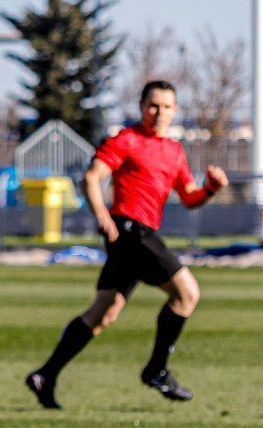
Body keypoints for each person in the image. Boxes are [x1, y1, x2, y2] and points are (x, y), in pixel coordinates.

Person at [26, 80, 228, 409]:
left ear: (175, 110)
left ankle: (45, 375)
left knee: (104, 312)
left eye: (166, 106)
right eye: (153, 105)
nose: (159, 112)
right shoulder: (127, 140)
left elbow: (189, 197)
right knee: (188, 294)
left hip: (134, 235)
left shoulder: (174, 151)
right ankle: (157, 370)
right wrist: (102, 215)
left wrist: (211, 189)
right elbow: (91, 178)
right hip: (130, 230)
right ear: (141, 106)